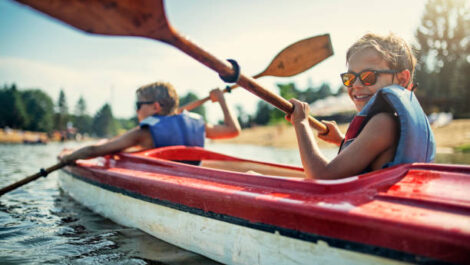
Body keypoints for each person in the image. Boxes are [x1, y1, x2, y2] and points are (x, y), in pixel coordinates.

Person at [286, 33, 435, 180]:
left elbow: (321, 175)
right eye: (349, 78)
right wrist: (341, 141)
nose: (356, 85)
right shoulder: (388, 123)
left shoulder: (383, 123)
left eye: (369, 76)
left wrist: (301, 122)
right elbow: (373, 154)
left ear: (402, 79)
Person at [59, 81, 241, 163]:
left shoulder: (142, 133)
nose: (136, 110)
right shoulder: (198, 125)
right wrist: (222, 100)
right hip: (195, 180)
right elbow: (233, 130)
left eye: (138, 105)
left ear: (155, 107)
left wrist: (67, 157)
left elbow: (95, 150)